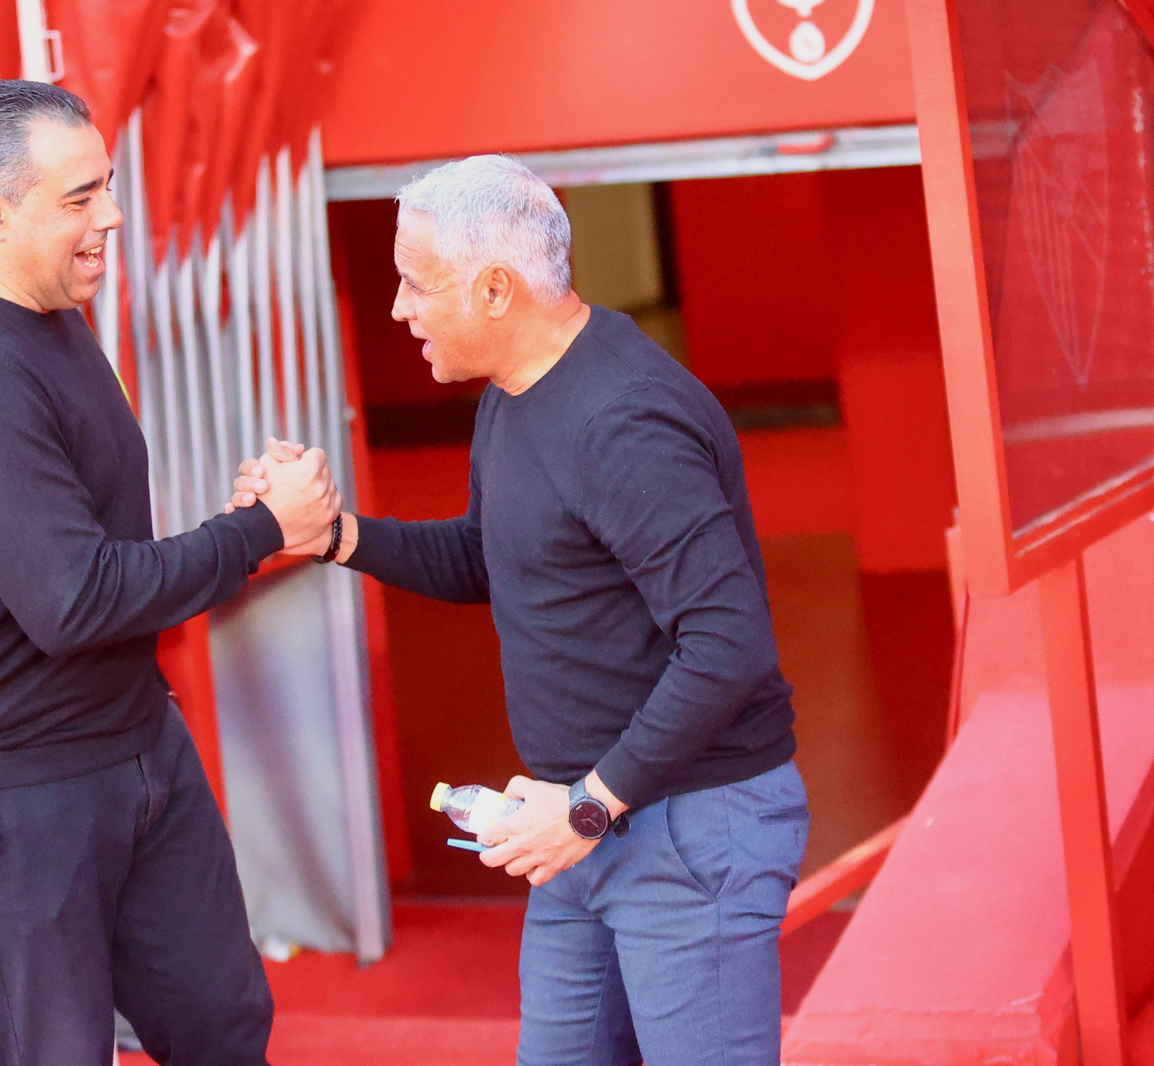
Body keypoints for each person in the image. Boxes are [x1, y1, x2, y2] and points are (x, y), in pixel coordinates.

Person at [231, 155, 809, 1066]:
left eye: (416, 284)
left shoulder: (624, 420)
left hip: (683, 822)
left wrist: (590, 806)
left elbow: (728, 644)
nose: (398, 309)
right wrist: (333, 536)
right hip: (578, 820)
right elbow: (487, 557)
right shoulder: (515, 395)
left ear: (495, 288)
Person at [0, 80, 340, 1066]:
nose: (111, 217)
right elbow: (72, 599)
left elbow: (85, 531)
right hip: (5, 779)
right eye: (79, 198)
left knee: (220, 1022)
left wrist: (251, 517)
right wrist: (257, 529)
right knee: (59, 1051)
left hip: (128, 736)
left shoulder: (49, 318)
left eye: (107, 188)